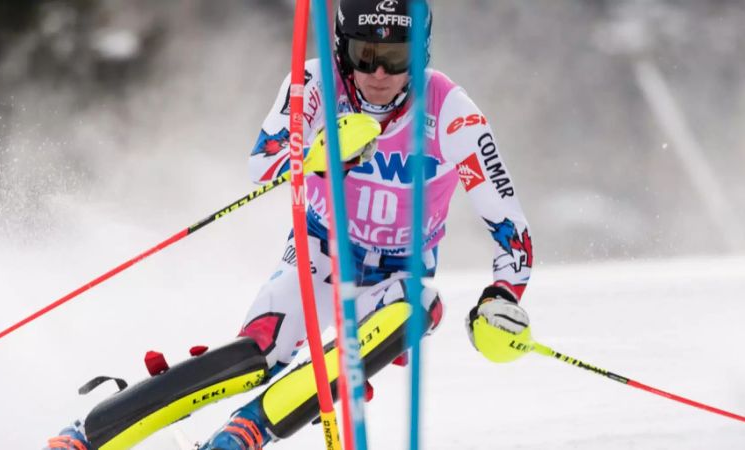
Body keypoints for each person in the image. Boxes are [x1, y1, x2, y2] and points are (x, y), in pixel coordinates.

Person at [46, 0, 533, 449]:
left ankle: (242, 434)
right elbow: (263, 160)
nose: (380, 73)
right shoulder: (316, 83)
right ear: (343, 49)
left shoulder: (451, 113)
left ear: (420, 54)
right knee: (258, 354)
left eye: (396, 57)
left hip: (395, 276)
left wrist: (502, 296)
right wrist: (316, 156)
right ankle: (90, 433)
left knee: (421, 306)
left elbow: (510, 227)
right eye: (365, 55)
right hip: (318, 254)